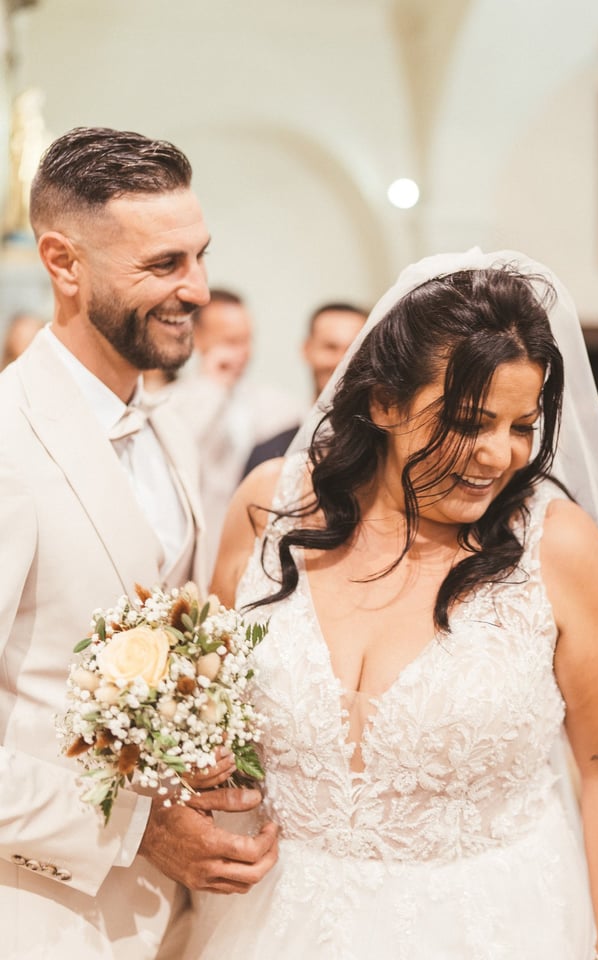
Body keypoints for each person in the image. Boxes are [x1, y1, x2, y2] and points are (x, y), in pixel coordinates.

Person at [188, 249, 598, 960]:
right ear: (383, 402)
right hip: (271, 921)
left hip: (486, 929)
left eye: (521, 426)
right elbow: (208, 719)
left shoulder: (559, 549)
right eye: (469, 422)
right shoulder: (268, 509)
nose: (499, 455)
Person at [0, 127, 277, 959]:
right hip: (38, 913)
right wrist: (133, 831)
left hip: (172, 918)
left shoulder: (169, 429)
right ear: (64, 264)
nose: (198, 290)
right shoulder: (8, 442)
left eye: (200, 257)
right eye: (163, 265)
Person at [167, 288, 305, 573]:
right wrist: (212, 387)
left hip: (262, 554)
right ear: (197, 337)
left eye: (247, 339)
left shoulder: (280, 404)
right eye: (231, 341)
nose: (244, 351)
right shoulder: (171, 404)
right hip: (197, 555)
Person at [242, 301, 367, 474]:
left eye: (353, 350)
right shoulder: (267, 453)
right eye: (330, 347)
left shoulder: (385, 451)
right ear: (307, 349)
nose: (342, 362)